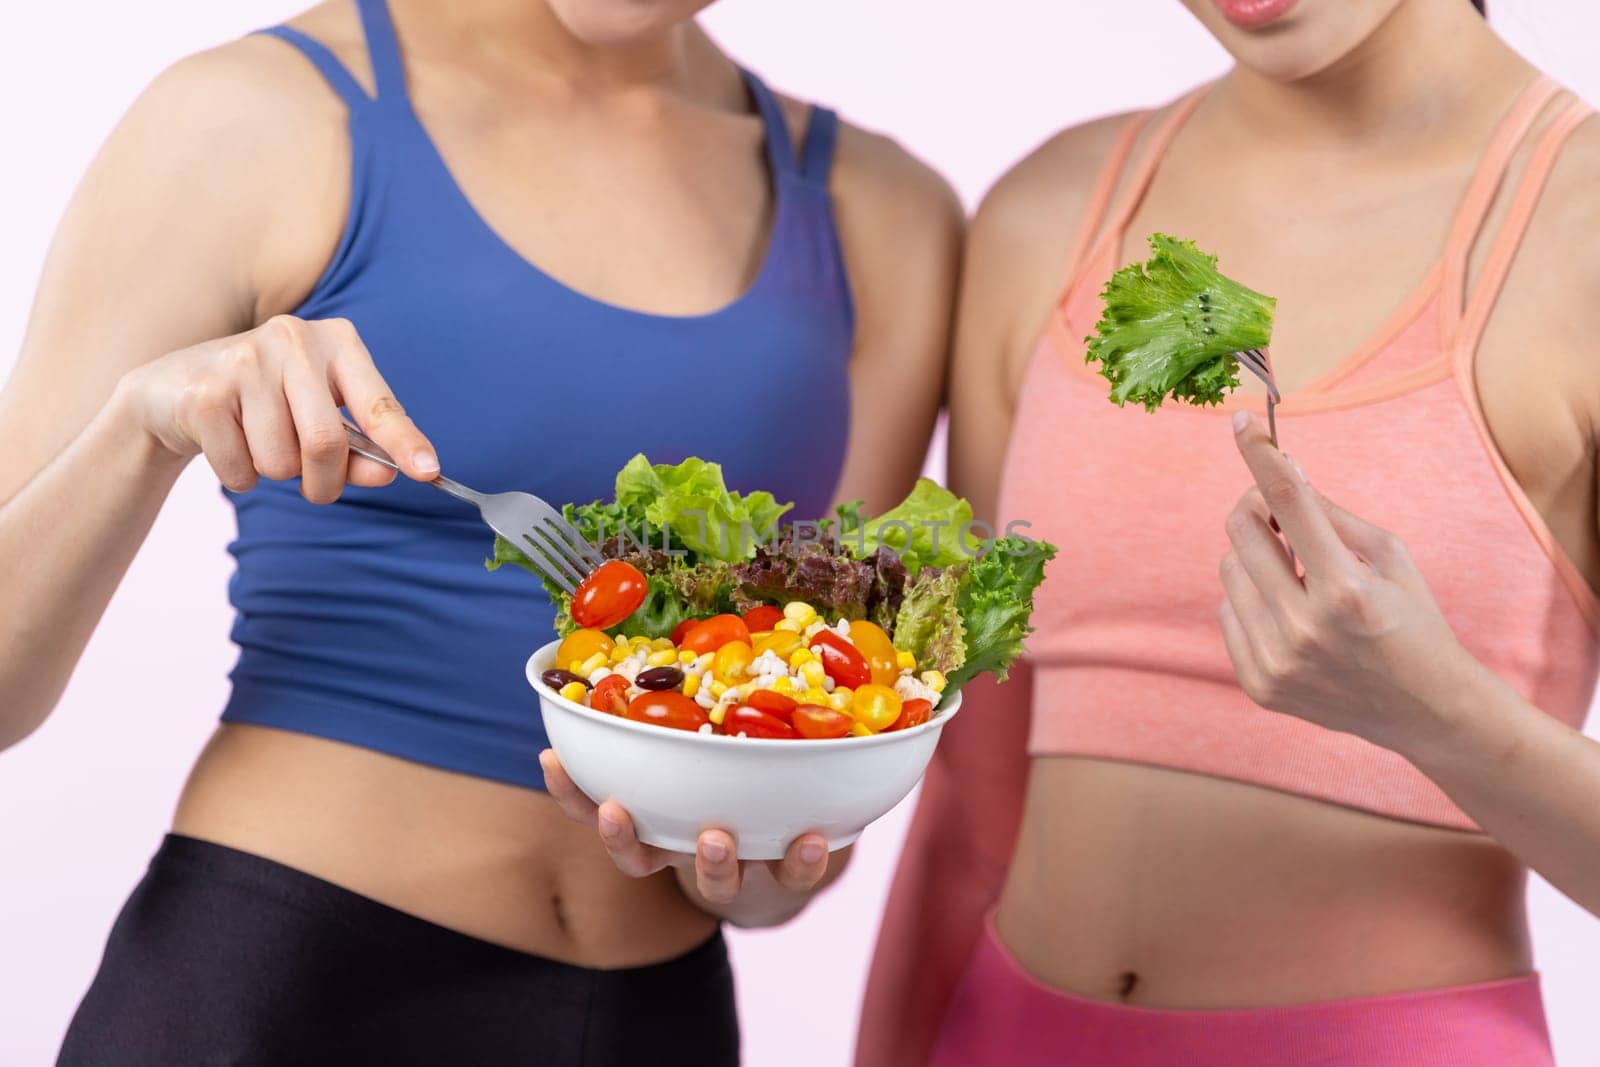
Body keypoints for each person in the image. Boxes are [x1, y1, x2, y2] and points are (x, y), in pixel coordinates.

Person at [0, 0, 960, 1061]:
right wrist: (141, 424)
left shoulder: (882, 212)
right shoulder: (258, 117)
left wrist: (765, 855)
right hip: (282, 982)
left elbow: (784, 845)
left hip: (655, 1019)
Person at [861, 0, 1600, 1063]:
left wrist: (1430, 711)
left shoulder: (1576, 231)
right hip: (1002, 1028)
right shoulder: (1050, 213)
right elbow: (972, 788)